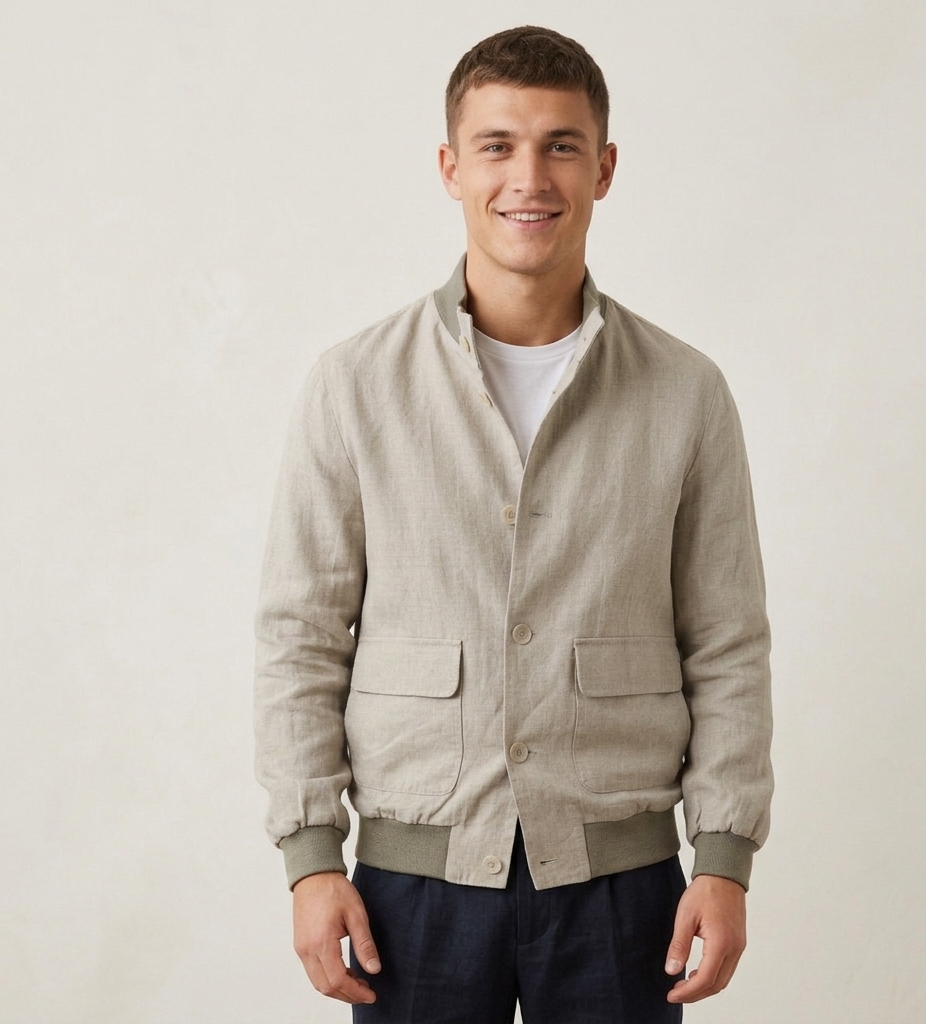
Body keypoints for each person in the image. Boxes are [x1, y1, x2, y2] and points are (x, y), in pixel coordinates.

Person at [254, 25, 773, 1024]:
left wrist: (723, 856)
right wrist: (311, 856)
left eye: (560, 145)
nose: (528, 178)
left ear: (604, 168)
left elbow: (727, 641)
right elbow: (300, 634)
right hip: (411, 888)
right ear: (451, 168)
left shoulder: (685, 392)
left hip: (625, 888)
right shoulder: (355, 386)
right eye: (496, 145)